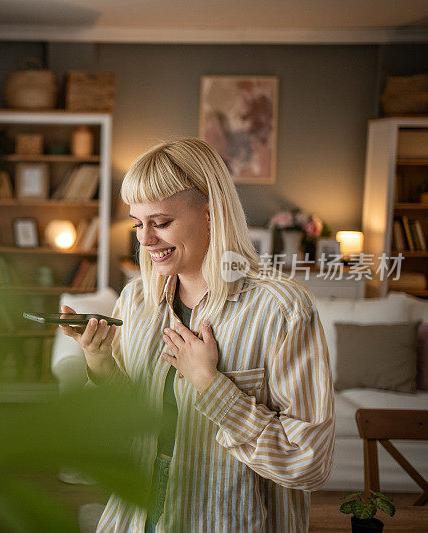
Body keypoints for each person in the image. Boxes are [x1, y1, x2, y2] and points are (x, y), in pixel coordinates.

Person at [59, 138, 334, 532]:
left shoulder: (282, 309)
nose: (145, 239)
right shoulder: (136, 299)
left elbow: (310, 463)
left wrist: (211, 384)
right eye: (138, 223)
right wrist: (99, 362)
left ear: (210, 213)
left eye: (162, 222)